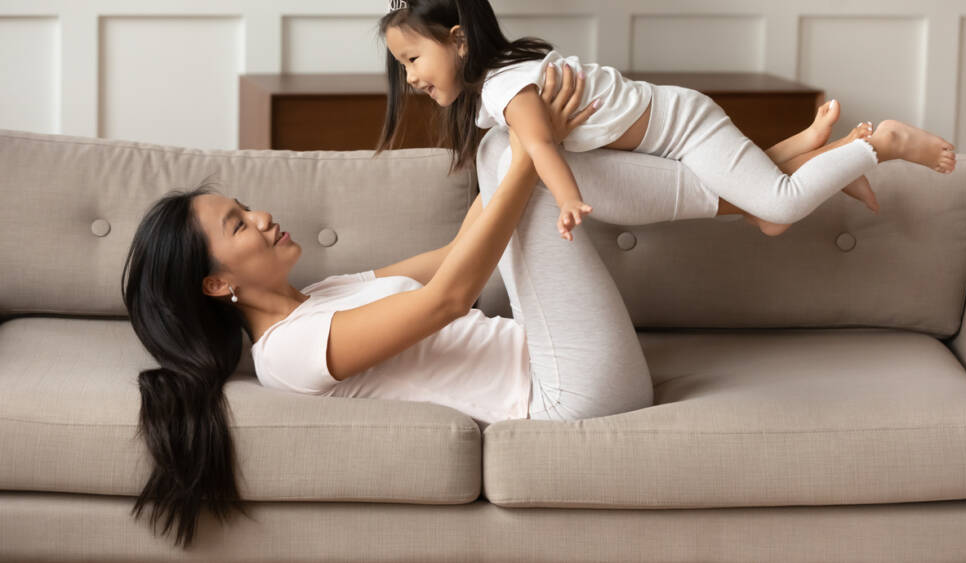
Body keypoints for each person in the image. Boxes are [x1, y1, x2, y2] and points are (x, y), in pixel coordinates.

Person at [120, 63, 867, 549]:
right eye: (237, 225)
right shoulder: (287, 351)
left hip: (564, 357)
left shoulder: (322, 294)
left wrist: (533, 137)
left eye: (246, 206)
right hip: (569, 396)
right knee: (526, 164)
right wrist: (532, 153)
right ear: (216, 284)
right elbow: (448, 297)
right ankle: (769, 183)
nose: (261, 217)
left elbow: (459, 247)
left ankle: (771, 183)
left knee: (511, 153)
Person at [375, 0, 957, 240]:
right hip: (672, 130)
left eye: (413, 60)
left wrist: (570, 198)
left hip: (684, 128)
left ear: (459, 40)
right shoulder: (490, 93)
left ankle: (882, 145)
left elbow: (541, 144)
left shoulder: (505, 85)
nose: (411, 79)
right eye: (402, 66)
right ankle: (825, 157)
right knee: (764, 213)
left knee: (776, 211)